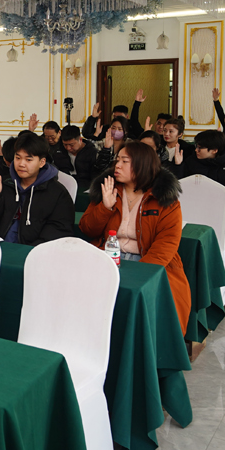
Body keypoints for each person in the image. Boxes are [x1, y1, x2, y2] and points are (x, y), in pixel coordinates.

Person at [79, 142, 191, 335]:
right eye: (117, 160)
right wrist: (105, 207)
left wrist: (140, 272)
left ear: (142, 165)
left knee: (159, 298)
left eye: (124, 161)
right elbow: (87, 228)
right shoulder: (108, 188)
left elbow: (166, 244)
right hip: (108, 256)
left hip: (149, 261)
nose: (117, 165)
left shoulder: (164, 198)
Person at [0, 132, 77, 246]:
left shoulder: (57, 193)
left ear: (42, 162)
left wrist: (31, 250)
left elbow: (59, 229)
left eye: (28, 160)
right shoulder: (3, 183)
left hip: (35, 250)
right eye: (18, 158)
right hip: (1, 246)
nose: (21, 164)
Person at [180, 130, 225, 199]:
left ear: (214, 150)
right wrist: (178, 165)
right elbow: (181, 184)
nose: (196, 150)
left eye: (200, 148)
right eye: (196, 146)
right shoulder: (191, 161)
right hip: (195, 200)